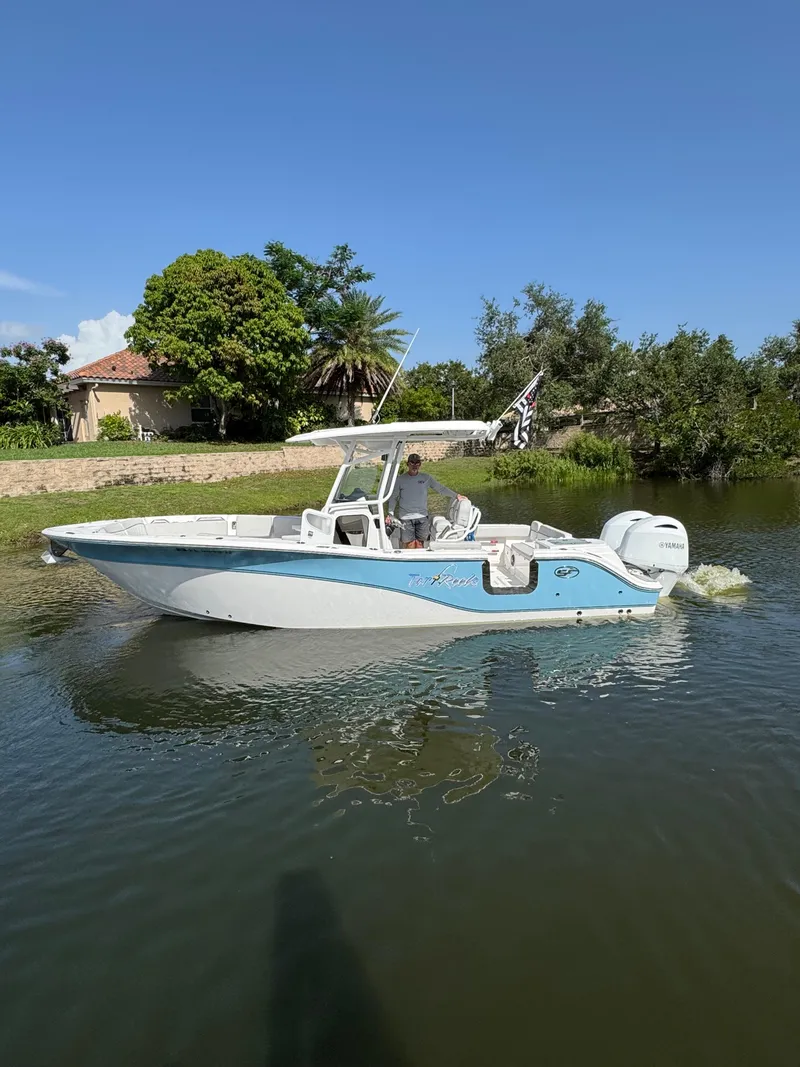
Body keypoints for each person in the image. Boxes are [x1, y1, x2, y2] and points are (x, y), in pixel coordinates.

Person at [387, 453, 465, 549]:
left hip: (422, 517)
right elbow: (393, 497)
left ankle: (419, 558)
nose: (414, 465)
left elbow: (440, 488)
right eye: (412, 463)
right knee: (409, 544)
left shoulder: (426, 478)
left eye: (417, 463)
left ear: (420, 464)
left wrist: (456, 495)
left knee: (420, 544)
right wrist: (390, 513)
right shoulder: (400, 479)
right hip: (405, 517)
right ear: (408, 464)